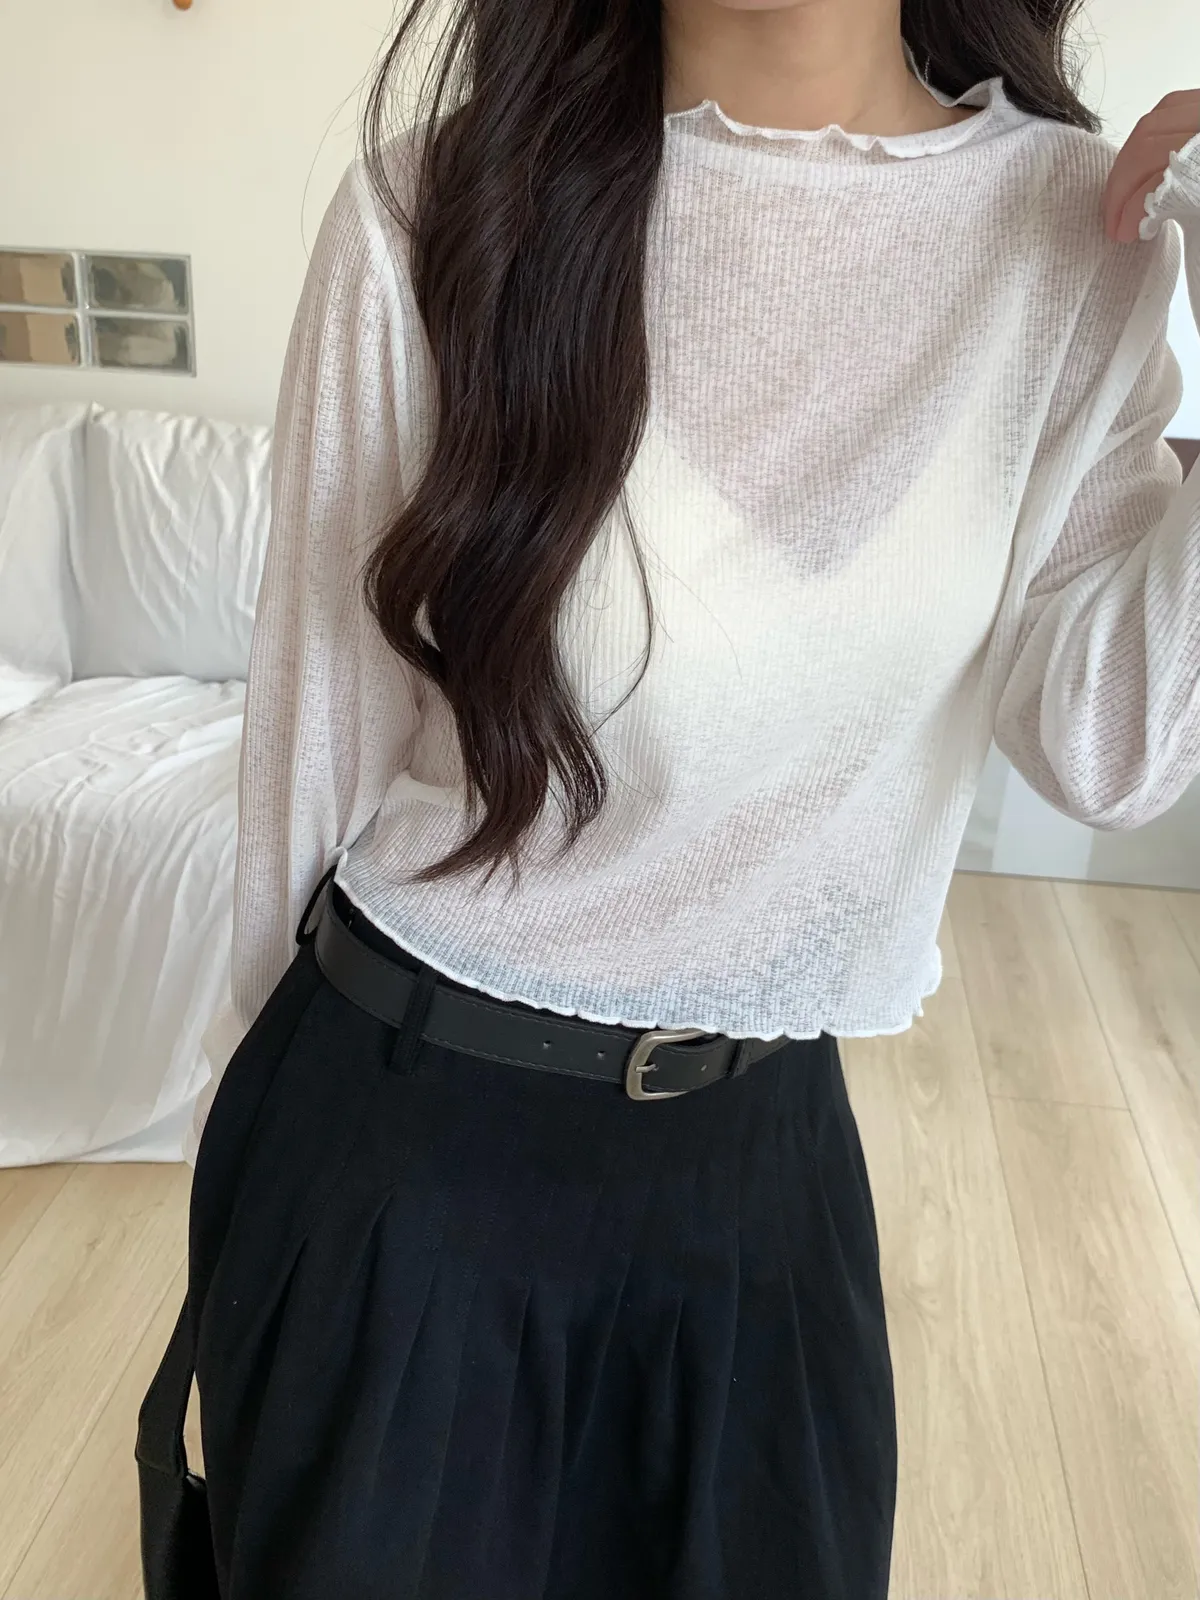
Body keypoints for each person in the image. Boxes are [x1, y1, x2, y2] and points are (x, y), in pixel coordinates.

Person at [181, 0, 1200, 1592]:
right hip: (404, 1153)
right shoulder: (439, 208)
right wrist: (255, 1215)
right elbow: (310, 745)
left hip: (761, 1182)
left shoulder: (1080, 238)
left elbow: (1115, 750)